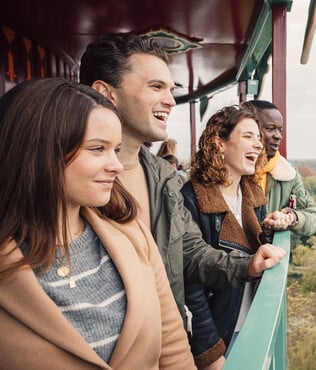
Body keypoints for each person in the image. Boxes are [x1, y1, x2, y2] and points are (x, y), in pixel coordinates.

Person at [79, 32, 286, 368]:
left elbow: (188, 253)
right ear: (105, 94)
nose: (171, 101)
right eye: (155, 87)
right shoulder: (70, 181)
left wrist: (247, 265)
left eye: (170, 89)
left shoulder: (162, 178)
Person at [0, 78, 194, 369]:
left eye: (115, 150)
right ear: (39, 152)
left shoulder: (132, 232)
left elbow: (173, 348)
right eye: (96, 149)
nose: (116, 165)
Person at [180, 105, 295, 367]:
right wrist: (210, 353)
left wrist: (270, 229)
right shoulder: (191, 198)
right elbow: (190, 285)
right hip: (220, 334)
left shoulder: (254, 196)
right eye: (248, 136)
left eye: (258, 137)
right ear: (220, 143)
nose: (258, 144)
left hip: (252, 324)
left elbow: (250, 248)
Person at [241, 100, 316, 238]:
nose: (278, 136)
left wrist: (292, 218)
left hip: (271, 257)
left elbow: (313, 216)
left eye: (280, 130)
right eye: (270, 129)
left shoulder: (288, 175)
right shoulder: (228, 172)